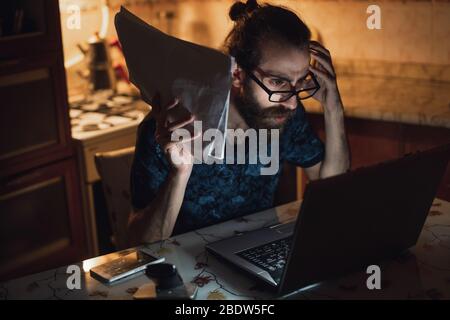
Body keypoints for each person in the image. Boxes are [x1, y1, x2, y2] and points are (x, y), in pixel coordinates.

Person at [128, 0, 350, 245]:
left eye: (299, 83)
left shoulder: (281, 115)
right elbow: (141, 243)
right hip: (187, 269)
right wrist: (179, 174)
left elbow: (331, 187)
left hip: (256, 258)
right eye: (278, 82)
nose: (292, 103)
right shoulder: (172, 126)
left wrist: (334, 109)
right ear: (236, 74)